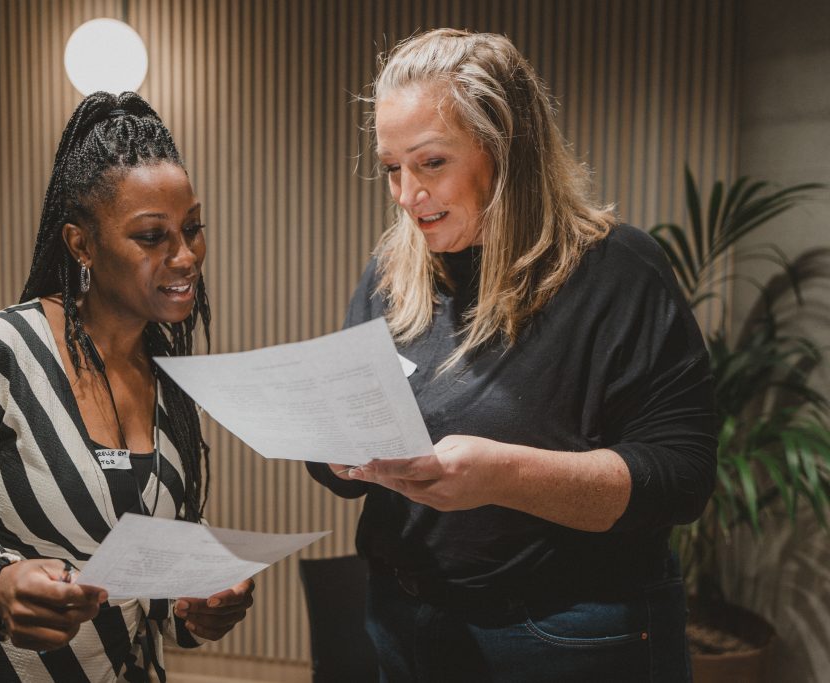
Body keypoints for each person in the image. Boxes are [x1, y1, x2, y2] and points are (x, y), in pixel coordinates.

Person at [307, 29, 716, 682]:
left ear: (507, 150)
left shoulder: (616, 272)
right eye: (391, 167)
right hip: (407, 621)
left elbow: (683, 476)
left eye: (430, 163)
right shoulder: (390, 273)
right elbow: (340, 455)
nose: (406, 196)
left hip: (565, 630)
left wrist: (504, 477)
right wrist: (332, 449)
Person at [0, 91, 254, 682]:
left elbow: (143, 569)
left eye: (192, 228)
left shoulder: (170, 382)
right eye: (151, 237)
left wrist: (191, 604)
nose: (185, 255)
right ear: (81, 244)